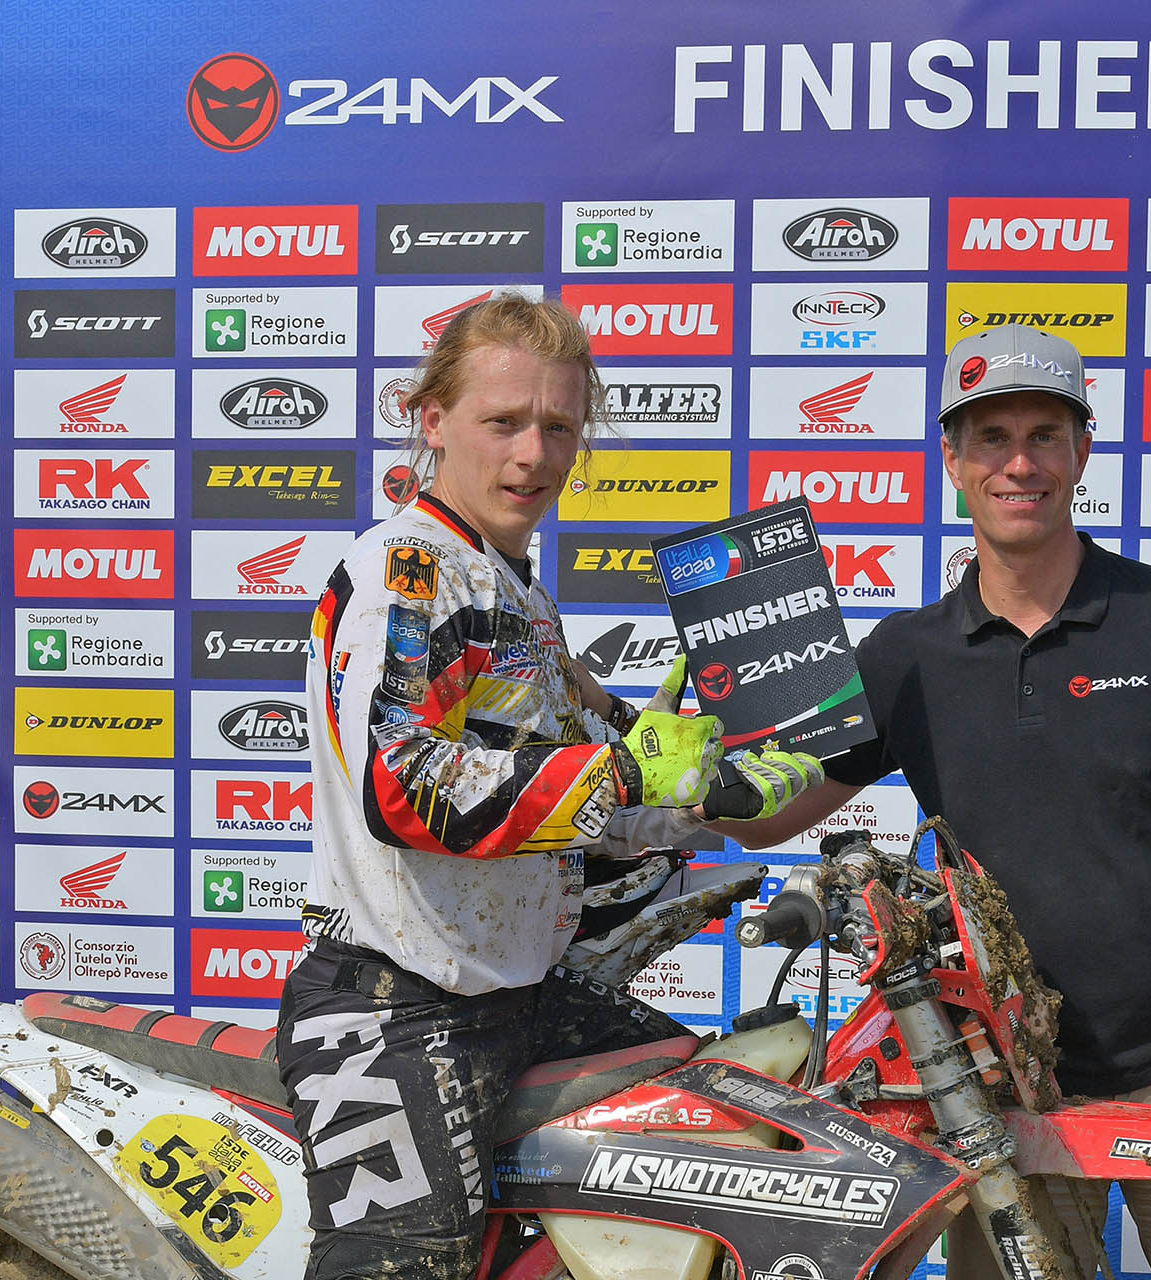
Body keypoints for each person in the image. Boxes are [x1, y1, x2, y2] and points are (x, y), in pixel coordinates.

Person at [716, 325, 1151, 1280]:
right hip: (998, 1087)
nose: (1019, 463)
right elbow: (768, 812)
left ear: (1083, 452)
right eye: (991, 438)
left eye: (1044, 436)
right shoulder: (904, 655)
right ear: (953, 460)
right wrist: (658, 759)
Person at [276, 293, 821, 1280]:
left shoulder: (515, 589)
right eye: (504, 421)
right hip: (393, 1007)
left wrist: (708, 795)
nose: (534, 453)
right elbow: (402, 789)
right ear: (432, 420)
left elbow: (568, 810)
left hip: (517, 993)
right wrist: (625, 768)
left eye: (559, 426)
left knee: (727, 1135)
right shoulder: (411, 571)